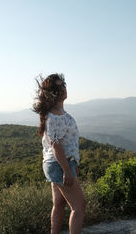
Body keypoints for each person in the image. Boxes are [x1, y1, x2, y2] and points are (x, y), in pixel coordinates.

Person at [32, 73, 86, 234]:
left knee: (59, 204)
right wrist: (67, 171)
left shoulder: (54, 114)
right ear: (52, 92)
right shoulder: (55, 116)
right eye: (60, 85)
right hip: (60, 164)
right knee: (79, 206)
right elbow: (56, 146)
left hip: (55, 164)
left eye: (64, 84)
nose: (64, 87)